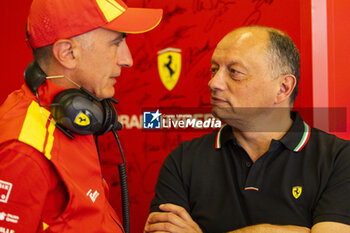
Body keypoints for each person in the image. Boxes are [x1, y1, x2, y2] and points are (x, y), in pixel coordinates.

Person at [144, 25, 350, 233]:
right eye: (214, 70)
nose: (213, 83)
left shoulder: (339, 159)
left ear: (283, 88)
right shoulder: (183, 159)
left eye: (235, 73)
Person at [0, 0, 162, 232]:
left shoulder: (74, 118)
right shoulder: (23, 152)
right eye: (116, 43)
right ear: (67, 53)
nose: (127, 60)